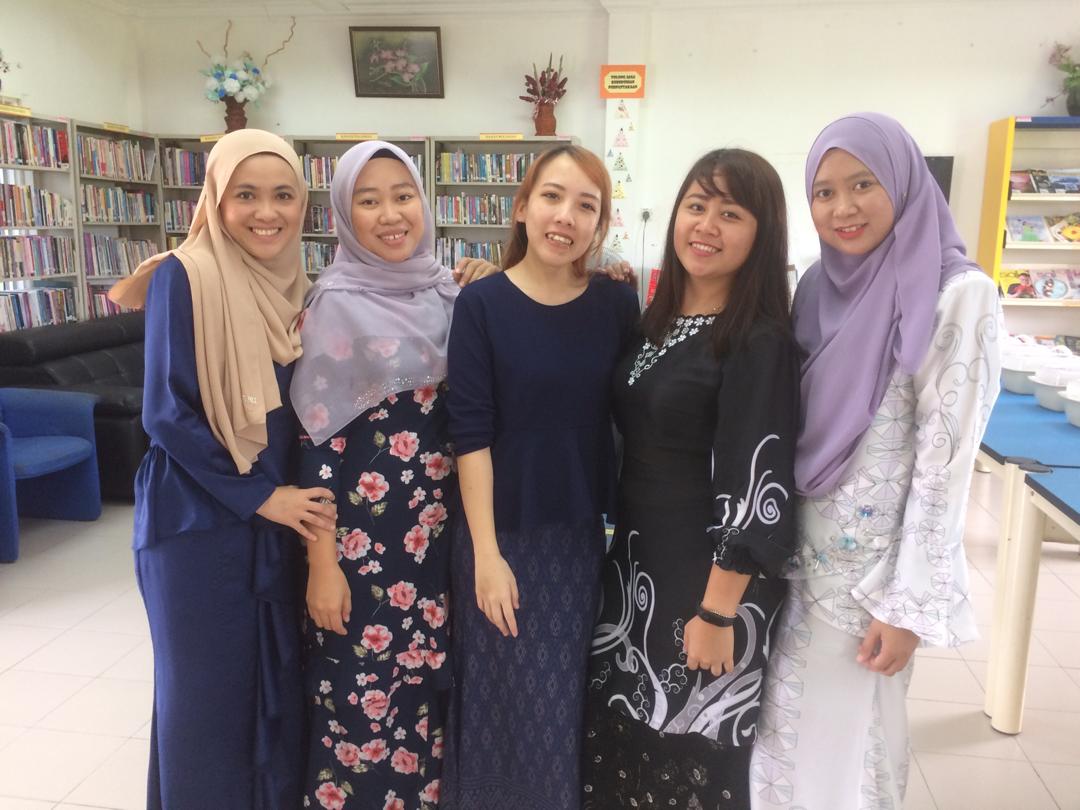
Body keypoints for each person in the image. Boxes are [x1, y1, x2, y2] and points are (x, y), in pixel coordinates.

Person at [749, 113, 1002, 810]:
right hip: (796, 565)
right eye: (824, 192)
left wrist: (907, 606)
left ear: (904, 182)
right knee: (783, 742)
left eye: (863, 184)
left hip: (871, 588)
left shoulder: (958, 295)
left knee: (850, 753)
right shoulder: (815, 287)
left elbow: (945, 469)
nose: (843, 207)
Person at [109, 129, 336, 810]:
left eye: (283, 195)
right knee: (205, 704)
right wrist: (258, 495)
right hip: (198, 523)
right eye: (246, 195)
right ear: (215, 199)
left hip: (275, 519)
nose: (267, 213)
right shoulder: (185, 275)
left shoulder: (301, 289)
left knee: (271, 691)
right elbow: (167, 413)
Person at [582, 149, 801, 809]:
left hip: (707, 587)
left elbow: (758, 481)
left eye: (730, 214)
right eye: (696, 206)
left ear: (762, 234)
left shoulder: (757, 339)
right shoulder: (658, 321)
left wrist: (715, 611)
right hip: (637, 575)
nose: (706, 225)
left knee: (686, 763)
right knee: (625, 758)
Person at [289, 140, 496, 810]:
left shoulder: (451, 293)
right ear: (343, 215)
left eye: (402, 196)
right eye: (368, 200)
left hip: (440, 544)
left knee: (428, 702)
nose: (390, 214)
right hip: (363, 552)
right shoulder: (334, 304)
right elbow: (317, 447)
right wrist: (322, 563)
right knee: (361, 705)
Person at [441, 145, 640, 810]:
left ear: (600, 224)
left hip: (578, 539)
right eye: (552, 197)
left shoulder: (615, 305)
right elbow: (470, 435)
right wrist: (486, 556)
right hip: (499, 535)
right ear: (522, 207)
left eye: (587, 206)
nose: (566, 217)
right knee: (497, 694)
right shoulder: (481, 304)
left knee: (561, 697)